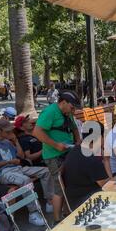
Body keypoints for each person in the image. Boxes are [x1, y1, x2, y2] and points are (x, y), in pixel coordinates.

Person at [0, 119, 61, 226]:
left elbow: (21, 156)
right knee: (26, 180)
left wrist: (16, 141)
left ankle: (49, 202)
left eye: (10, 131)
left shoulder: (7, 142)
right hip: (4, 173)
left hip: (18, 168)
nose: (10, 133)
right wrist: (9, 161)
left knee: (46, 171)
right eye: (7, 132)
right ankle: (33, 213)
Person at [33, 91, 82, 222]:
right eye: (72, 107)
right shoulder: (49, 112)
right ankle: (57, 221)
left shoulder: (67, 112)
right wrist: (55, 145)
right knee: (59, 187)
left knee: (68, 183)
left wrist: (78, 141)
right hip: (54, 156)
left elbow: (74, 128)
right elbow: (37, 132)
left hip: (68, 152)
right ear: (63, 102)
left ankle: (67, 213)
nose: (74, 110)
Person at [63, 122, 112, 209]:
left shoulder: (75, 150)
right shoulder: (91, 158)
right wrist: (106, 160)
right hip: (85, 202)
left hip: (73, 199)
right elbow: (108, 187)